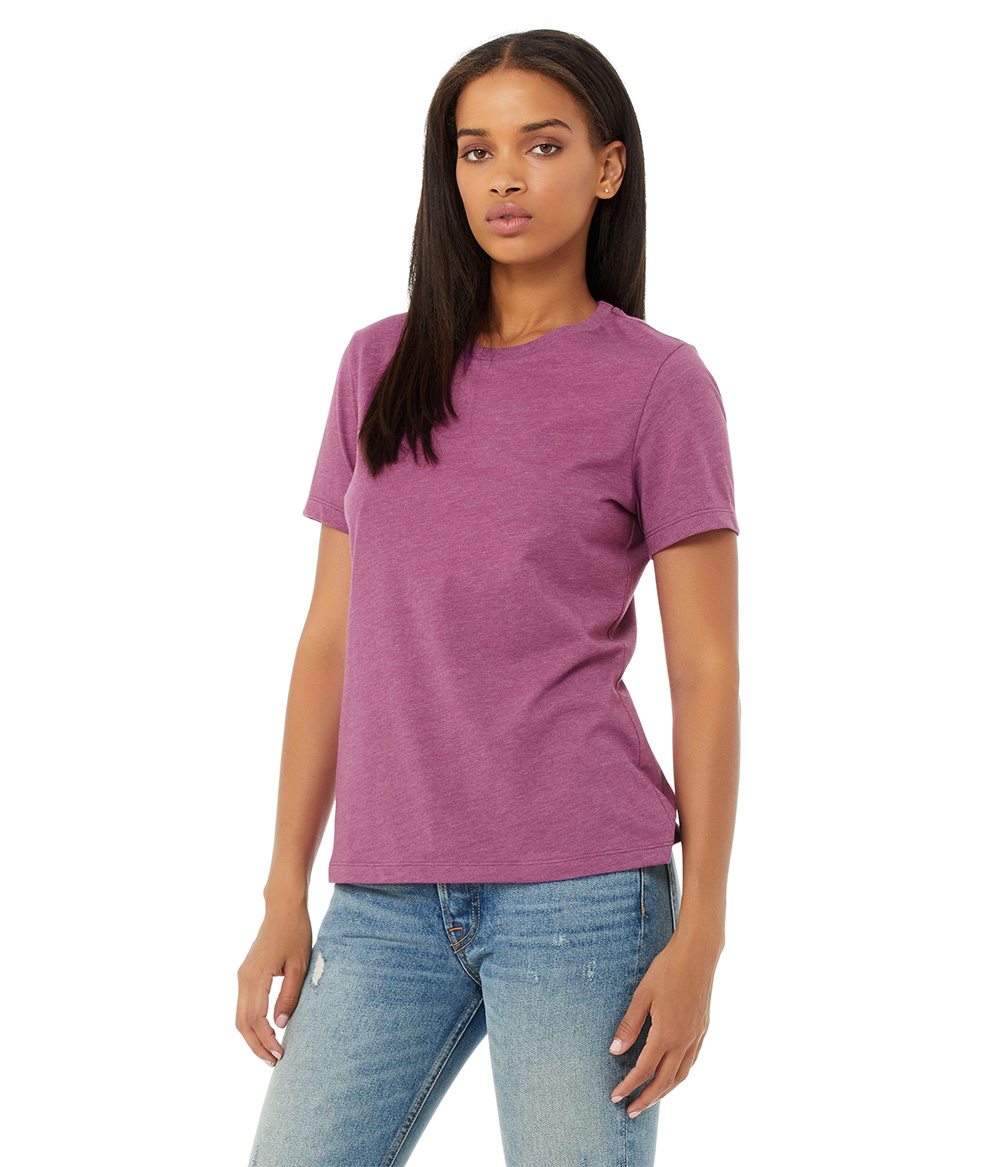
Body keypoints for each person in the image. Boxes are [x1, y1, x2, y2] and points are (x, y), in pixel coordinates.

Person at [237, 28, 740, 1167]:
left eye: (541, 146)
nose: (504, 177)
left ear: (608, 167)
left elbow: (706, 668)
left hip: (583, 893)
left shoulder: (659, 384)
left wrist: (703, 929)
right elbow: (329, 642)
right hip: (382, 895)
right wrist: (282, 888)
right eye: (476, 151)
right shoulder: (377, 365)